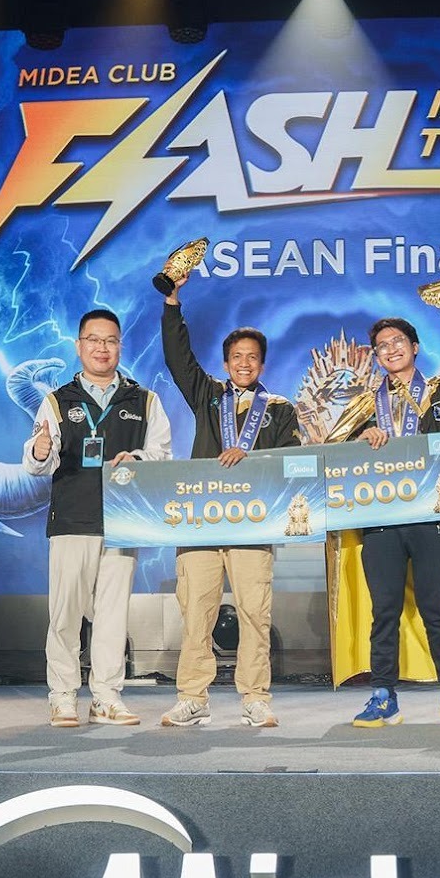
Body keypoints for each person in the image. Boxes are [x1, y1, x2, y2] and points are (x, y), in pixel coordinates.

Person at [325, 313, 440, 727]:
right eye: (382, 345)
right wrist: (361, 439)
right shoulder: (365, 406)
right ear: (376, 356)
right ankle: (383, 695)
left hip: (434, 521)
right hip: (383, 524)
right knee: (384, 612)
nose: (391, 349)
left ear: (415, 347)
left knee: (437, 611)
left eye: (398, 341)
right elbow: (335, 453)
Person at [158, 274, 302, 728]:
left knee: (254, 614)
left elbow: (291, 462)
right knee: (196, 613)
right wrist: (172, 302)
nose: (244, 363)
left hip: (252, 526)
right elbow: (178, 358)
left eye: (252, 357)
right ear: (225, 363)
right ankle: (192, 697)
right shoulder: (208, 395)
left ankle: (255, 697)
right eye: (237, 356)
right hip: (201, 523)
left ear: (262, 364)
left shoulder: (280, 409)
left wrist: (251, 456)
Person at [24, 307, 171, 728]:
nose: (101, 348)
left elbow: (162, 454)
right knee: (65, 615)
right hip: (72, 520)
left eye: (110, 341)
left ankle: (106, 697)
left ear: (120, 346)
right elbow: (37, 463)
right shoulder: (58, 401)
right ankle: (63, 696)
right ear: (79, 346)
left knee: (112, 615)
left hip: (122, 523)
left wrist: (138, 458)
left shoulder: (145, 400)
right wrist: (39, 450)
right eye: (93, 340)